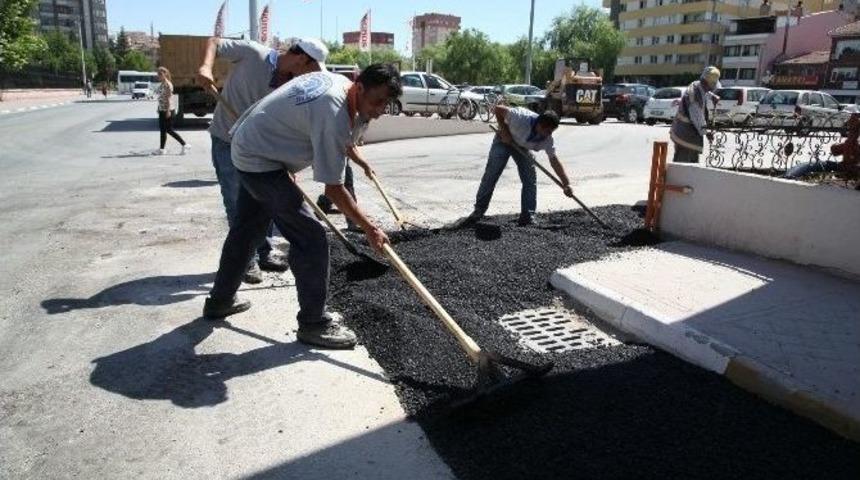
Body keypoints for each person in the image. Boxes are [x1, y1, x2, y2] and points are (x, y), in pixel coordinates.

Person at [202, 64, 401, 349]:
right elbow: (333, 189)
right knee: (311, 238)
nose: (381, 109)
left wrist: (283, 149)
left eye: (387, 103)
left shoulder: (341, 87)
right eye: (377, 101)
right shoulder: (332, 113)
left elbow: (328, 130)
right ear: (359, 87)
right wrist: (369, 227)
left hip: (254, 146)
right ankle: (313, 323)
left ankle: (219, 301)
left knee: (248, 229)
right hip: (259, 159)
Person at [197, 37, 328, 281]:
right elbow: (213, 42)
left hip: (262, 148)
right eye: (311, 69)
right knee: (236, 201)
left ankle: (264, 250)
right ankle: (246, 262)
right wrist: (206, 67)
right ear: (301, 58)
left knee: (265, 200)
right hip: (227, 140)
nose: (311, 75)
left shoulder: (294, 84)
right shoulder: (253, 54)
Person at [463, 106, 574, 226]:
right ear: (540, 125)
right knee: (491, 174)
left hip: (522, 147)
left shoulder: (547, 139)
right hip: (504, 140)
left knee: (530, 179)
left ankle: (528, 216)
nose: (549, 135)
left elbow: (554, 160)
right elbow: (498, 110)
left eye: (551, 132)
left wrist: (566, 184)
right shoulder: (520, 117)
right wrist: (505, 131)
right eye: (548, 131)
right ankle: (478, 211)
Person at [669, 66, 721, 164]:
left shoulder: (697, 85)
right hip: (685, 137)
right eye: (712, 85)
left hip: (687, 135)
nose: (713, 88)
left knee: (692, 166)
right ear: (706, 83)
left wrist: (712, 96)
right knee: (682, 166)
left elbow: (704, 91)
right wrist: (707, 133)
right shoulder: (694, 96)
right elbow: (697, 118)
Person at [154, 67, 188, 156]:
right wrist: (159, 108)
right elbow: (161, 97)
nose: (159, 76)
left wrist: (168, 111)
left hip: (167, 110)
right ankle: (162, 149)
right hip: (162, 109)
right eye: (158, 74)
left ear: (165, 74)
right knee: (162, 130)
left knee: (169, 130)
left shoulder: (168, 84)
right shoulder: (162, 84)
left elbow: (169, 98)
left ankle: (184, 144)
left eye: (160, 74)